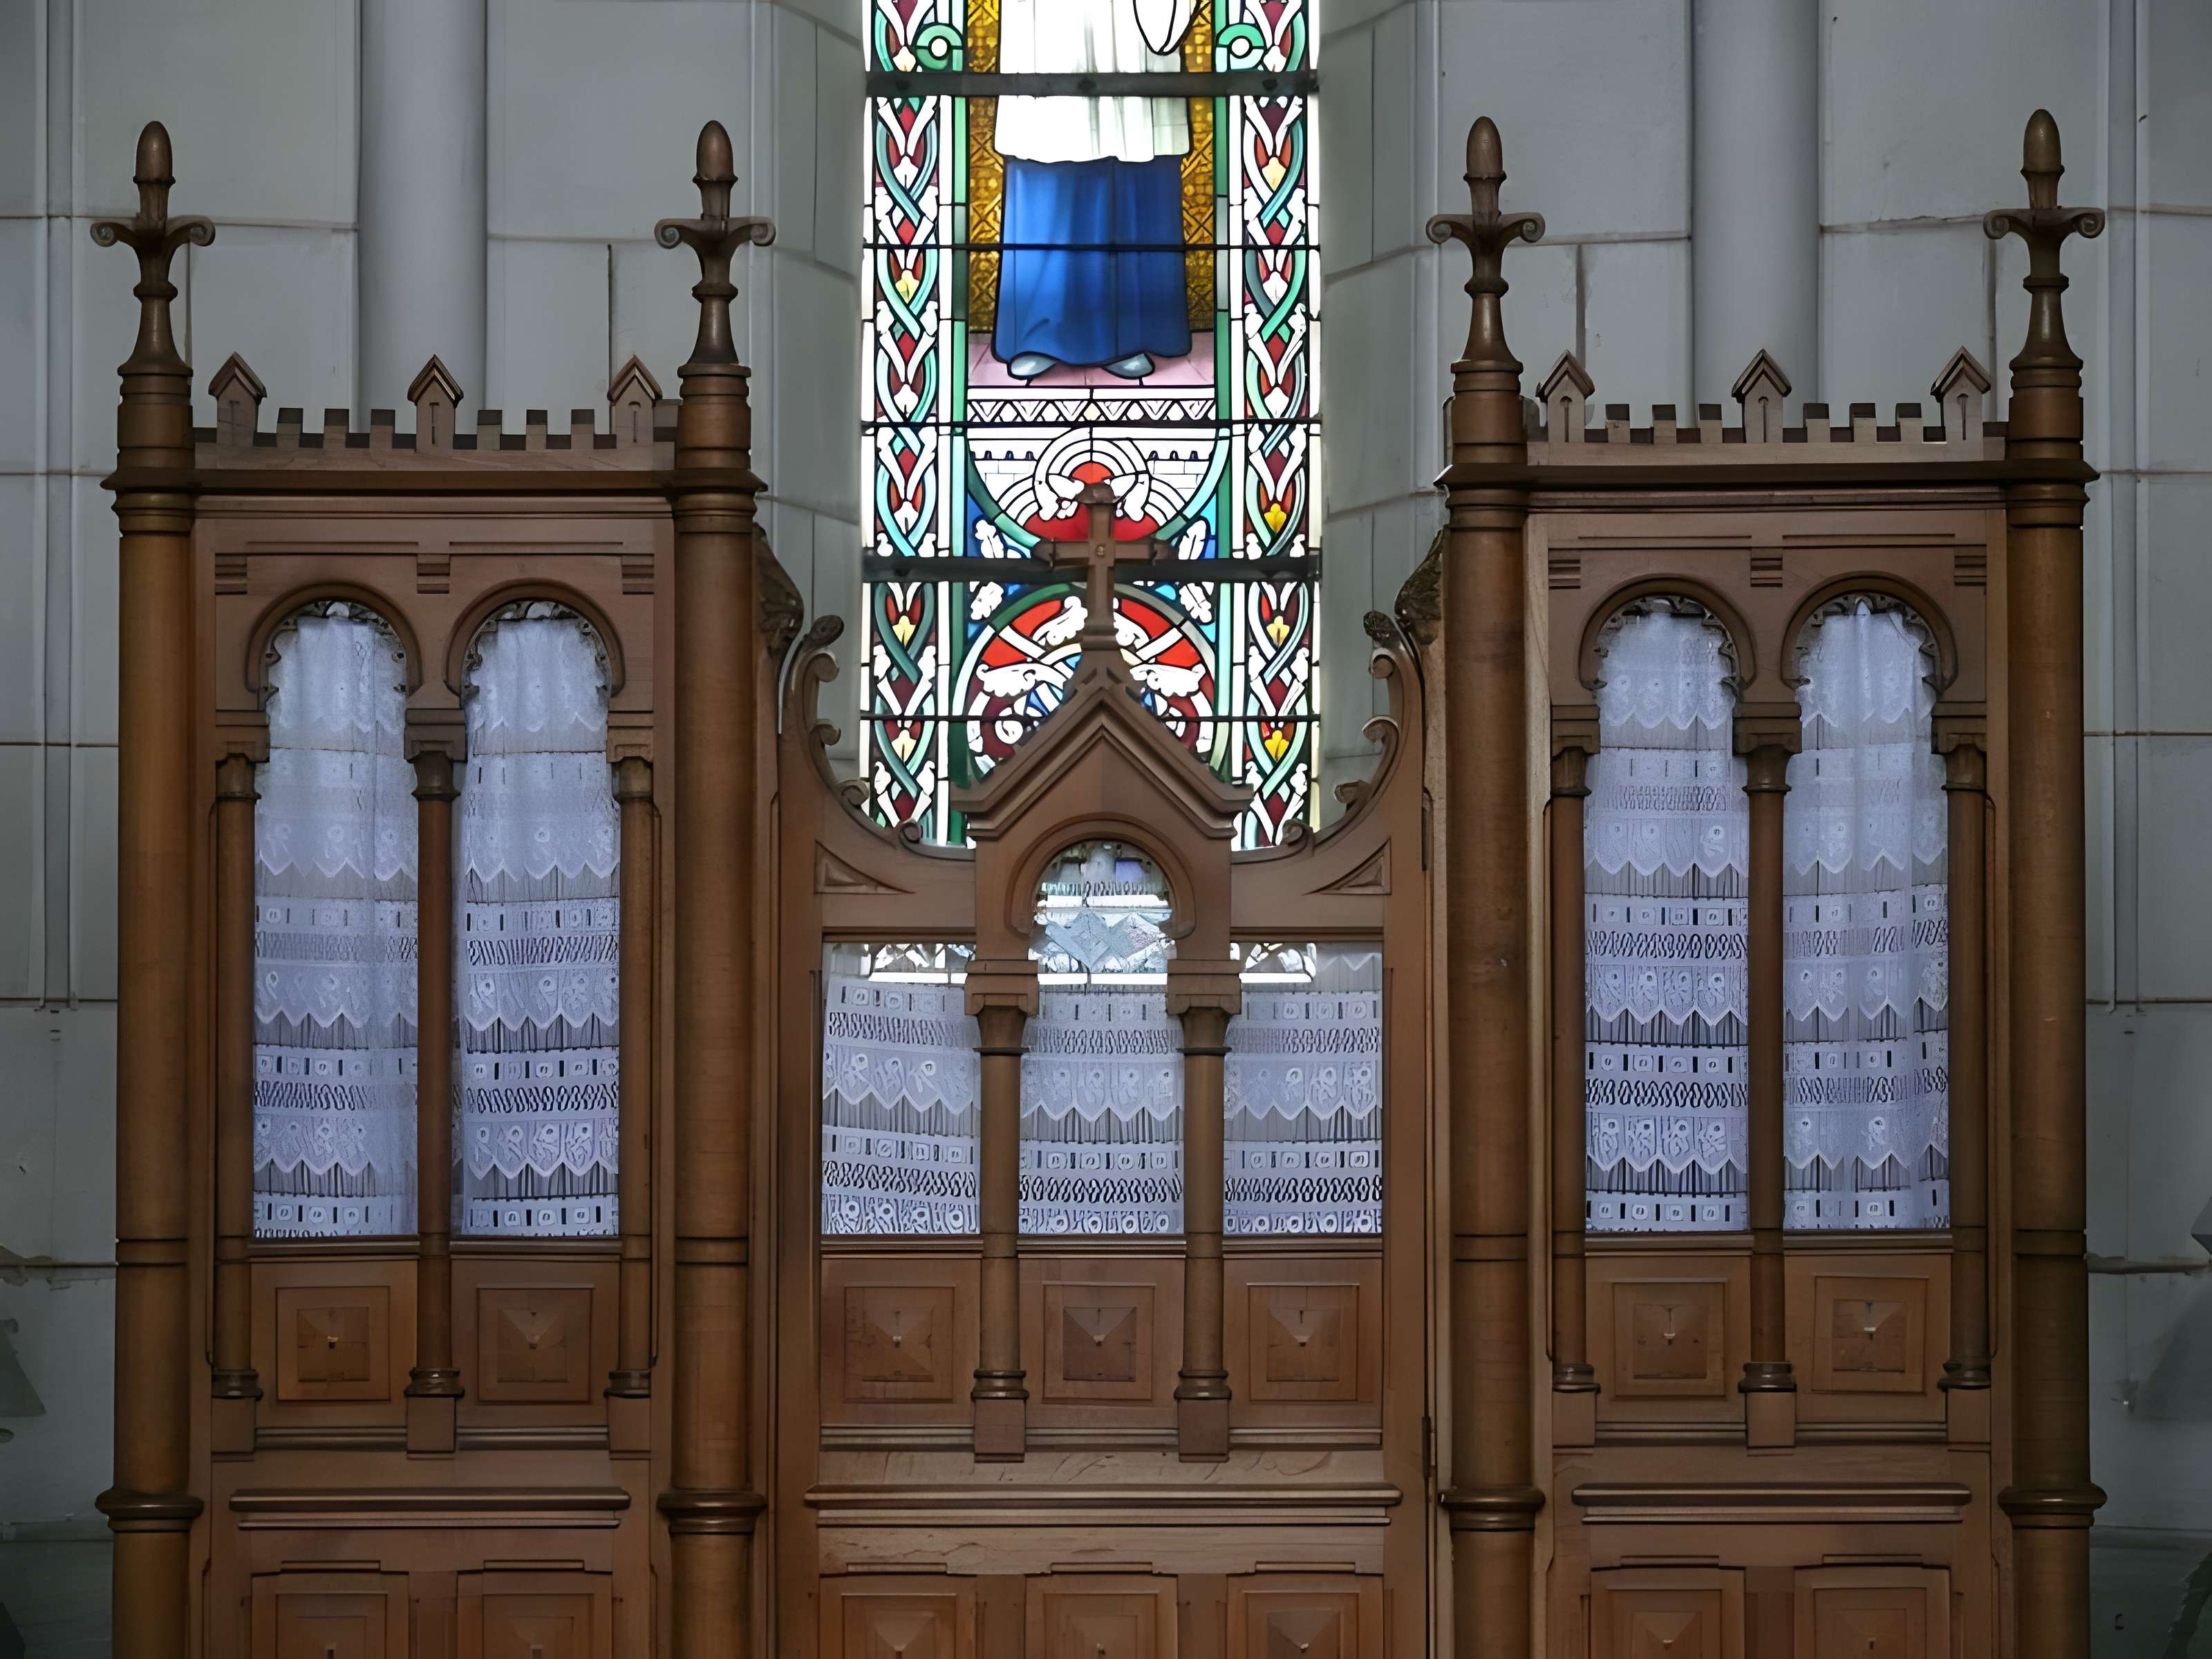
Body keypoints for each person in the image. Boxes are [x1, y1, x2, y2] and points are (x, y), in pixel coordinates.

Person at [992, 0, 1197, 380]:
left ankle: (1130, 333)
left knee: (1132, 152)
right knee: (1049, 151)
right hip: (1048, 30)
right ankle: (1040, 333)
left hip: (1130, 40)